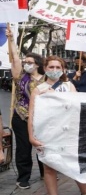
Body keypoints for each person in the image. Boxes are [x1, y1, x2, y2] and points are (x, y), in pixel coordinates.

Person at [27, 55, 86, 195]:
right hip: (47, 134)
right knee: (49, 168)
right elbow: (31, 115)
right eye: (51, 67)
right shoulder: (38, 90)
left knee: (74, 164)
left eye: (58, 67)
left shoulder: (69, 86)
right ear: (45, 68)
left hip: (68, 133)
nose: (54, 70)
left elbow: (77, 107)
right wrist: (31, 137)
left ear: (63, 70)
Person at [6, 27, 45, 189]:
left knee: (43, 146)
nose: (26, 64)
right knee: (24, 148)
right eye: (25, 62)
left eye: (30, 62)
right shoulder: (20, 76)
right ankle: (23, 177)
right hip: (21, 117)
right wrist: (11, 39)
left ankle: (47, 172)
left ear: (38, 64)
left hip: (42, 118)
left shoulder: (46, 78)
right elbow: (15, 58)